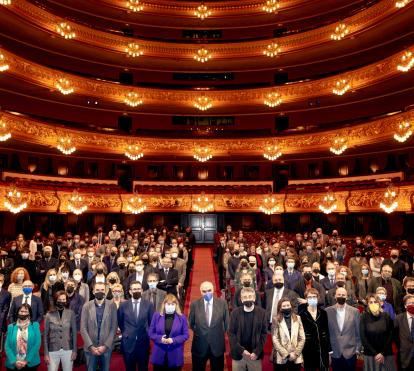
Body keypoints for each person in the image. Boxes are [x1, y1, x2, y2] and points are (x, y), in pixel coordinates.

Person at [189, 281, 229, 371]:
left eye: (209, 290)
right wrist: (200, 332)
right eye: (204, 291)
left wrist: (217, 333)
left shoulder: (222, 303)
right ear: (200, 292)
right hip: (199, 345)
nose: (207, 293)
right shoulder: (194, 304)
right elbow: (191, 323)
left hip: (217, 346)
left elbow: (227, 324)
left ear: (213, 290)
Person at [80, 282, 118, 371]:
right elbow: (83, 328)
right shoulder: (86, 306)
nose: (100, 292)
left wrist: (105, 346)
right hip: (90, 349)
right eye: (97, 290)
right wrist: (91, 346)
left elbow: (114, 327)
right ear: (93, 291)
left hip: (106, 348)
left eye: (102, 290)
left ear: (105, 291)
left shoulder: (112, 305)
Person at [228, 286, 268, 371]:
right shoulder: (234, 313)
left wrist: (257, 352)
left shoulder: (262, 313)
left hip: (255, 355)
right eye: (245, 297)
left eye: (250, 296)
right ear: (241, 299)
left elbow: (263, 335)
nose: (248, 299)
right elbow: (231, 334)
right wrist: (241, 350)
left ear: (254, 298)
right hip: (238, 354)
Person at [118, 281, 154, 371]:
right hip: (128, 343)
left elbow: (151, 322)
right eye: (134, 289)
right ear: (130, 291)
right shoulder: (123, 305)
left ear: (142, 290)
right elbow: (120, 322)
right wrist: (127, 332)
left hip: (143, 343)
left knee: (143, 368)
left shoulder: (149, 305)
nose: (136, 291)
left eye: (138, 289)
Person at [149, 294, 189, 371]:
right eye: (168, 304)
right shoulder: (156, 316)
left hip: (175, 354)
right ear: (164, 304)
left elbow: (186, 335)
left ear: (176, 305)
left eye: (172, 304)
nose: (170, 306)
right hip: (159, 354)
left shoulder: (182, 317)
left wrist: (174, 340)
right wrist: (160, 338)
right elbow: (151, 332)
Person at [326, 287, 361, 371]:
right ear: (335, 296)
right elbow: (326, 333)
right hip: (334, 352)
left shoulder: (355, 311)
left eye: (343, 295)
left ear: (347, 297)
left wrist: (357, 350)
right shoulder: (327, 311)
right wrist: (328, 351)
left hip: (350, 352)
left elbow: (358, 332)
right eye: (339, 294)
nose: (341, 296)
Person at [360, 294, 396, 371]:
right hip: (370, 354)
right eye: (370, 302)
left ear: (379, 303)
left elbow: (390, 335)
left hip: (386, 354)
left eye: (375, 302)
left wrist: (382, 353)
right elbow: (363, 337)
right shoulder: (364, 317)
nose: (373, 304)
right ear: (367, 304)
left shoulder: (386, 316)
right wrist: (375, 354)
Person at [43, 291, 77, 371]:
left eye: (63, 299)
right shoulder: (49, 315)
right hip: (52, 350)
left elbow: (74, 333)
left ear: (66, 301)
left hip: (68, 349)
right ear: (55, 300)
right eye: (59, 299)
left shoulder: (71, 313)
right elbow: (45, 336)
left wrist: (74, 351)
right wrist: (46, 353)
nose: (62, 301)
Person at [270, 297, 305, 371]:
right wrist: (287, 355)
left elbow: (302, 338)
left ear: (291, 307)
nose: (286, 307)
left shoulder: (298, 318)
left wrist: (296, 353)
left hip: (296, 357)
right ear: (280, 308)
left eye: (288, 305)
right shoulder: (275, 319)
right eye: (284, 306)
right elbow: (275, 339)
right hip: (281, 357)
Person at [300, 288, 331, 371]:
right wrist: (301, 354)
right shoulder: (301, 315)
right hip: (308, 351)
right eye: (310, 297)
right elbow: (299, 336)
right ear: (306, 299)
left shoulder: (324, 313)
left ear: (318, 298)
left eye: (314, 297)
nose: (312, 299)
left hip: (323, 351)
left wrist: (329, 351)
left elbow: (327, 332)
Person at [5, 303, 41, 371]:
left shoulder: (35, 325)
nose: (23, 313)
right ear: (18, 312)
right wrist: (14, 361)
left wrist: (26, 361)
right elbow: (7, 346)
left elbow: (37, 344)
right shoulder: (11, 327)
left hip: (31, 363)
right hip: (13, 363)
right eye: (21, 311)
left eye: (26, 311)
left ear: (29, 313)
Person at [394, 294, 414, 371]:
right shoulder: (398, 319)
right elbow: (395, 337)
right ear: (405, 306)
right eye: (410, 303)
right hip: (404, 356)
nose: (412, 305)